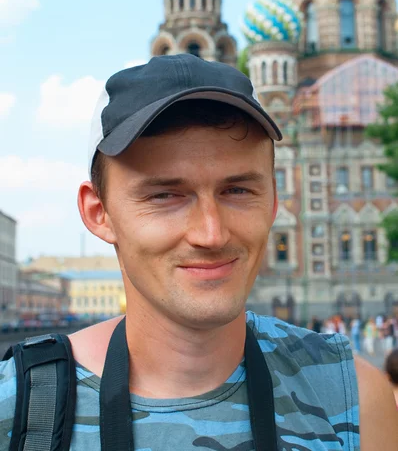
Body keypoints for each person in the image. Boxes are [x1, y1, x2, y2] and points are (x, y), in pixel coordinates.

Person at [1, 54, 397, 450]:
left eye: (238, 190)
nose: (211, 233)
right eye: (165, 195)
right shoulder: (19, 408)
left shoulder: (353, 398)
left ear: (273, 201)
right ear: (98, 212)